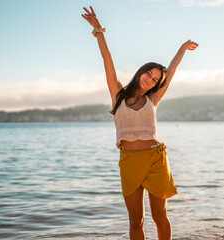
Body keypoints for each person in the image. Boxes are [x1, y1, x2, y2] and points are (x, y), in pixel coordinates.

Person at [82, 6, 198, 240]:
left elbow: (172, 70)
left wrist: (182, 48)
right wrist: (98, 30)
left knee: (160, 217)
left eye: (155, 79)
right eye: (149, 74)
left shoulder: (153, 99)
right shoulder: (118, 94)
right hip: (129, 161)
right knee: (136, 220)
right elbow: (107, 59)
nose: (150, 80)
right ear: (140, 72)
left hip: (155, 159)